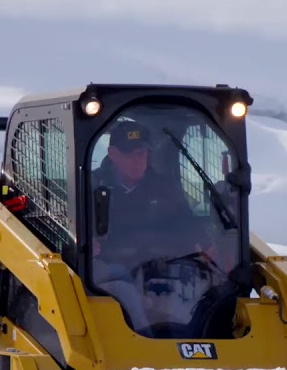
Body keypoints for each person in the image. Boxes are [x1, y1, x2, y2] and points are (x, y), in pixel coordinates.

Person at [89, 119, 225, 334]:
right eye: (130, 153)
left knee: (206, 289)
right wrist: (89, 242)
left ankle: (198, 351)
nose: (138, 160)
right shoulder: (91, 186)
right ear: (113, 154)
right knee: (123, 290)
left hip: (160, 266)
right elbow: (74, 229)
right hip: (112, 269)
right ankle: (146, 348)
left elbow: (187, 223)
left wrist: (205, 244)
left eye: (142, 153)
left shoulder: (163, 187)